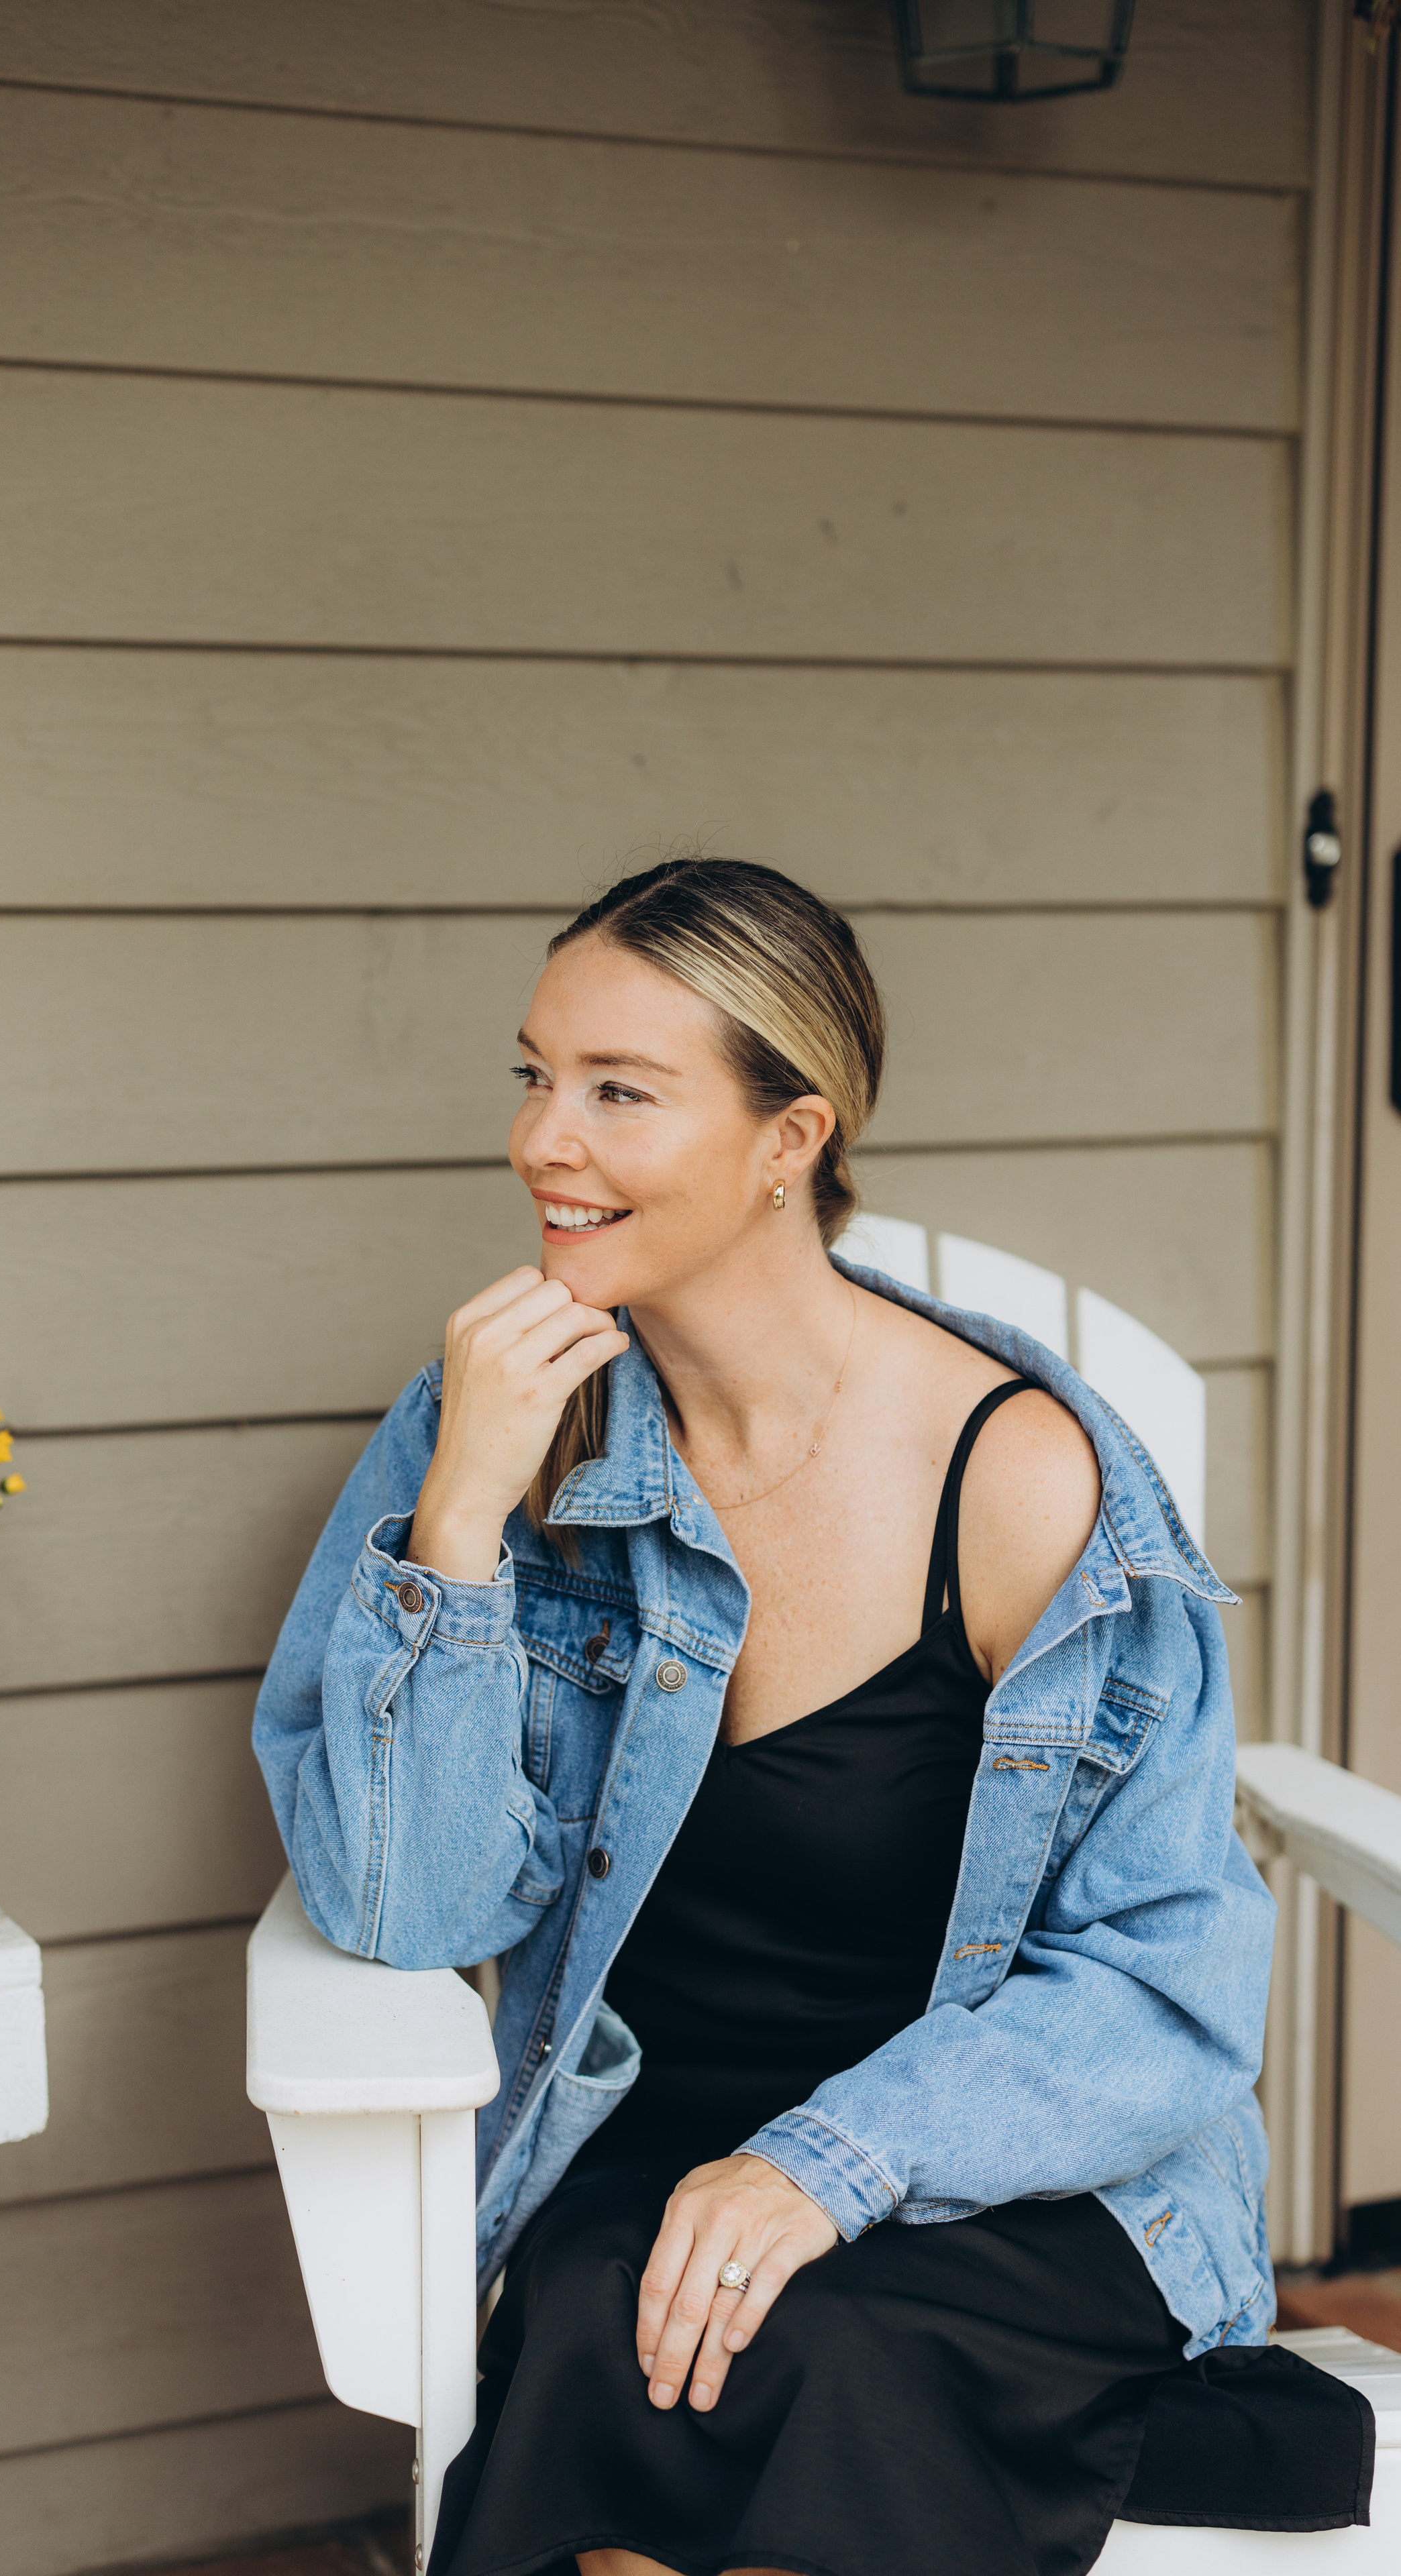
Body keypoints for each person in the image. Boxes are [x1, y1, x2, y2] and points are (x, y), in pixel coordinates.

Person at [256, 857, 1306, 2576]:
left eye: (619, 1092)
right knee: (623, 2333)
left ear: (789, 1137)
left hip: (1004, 2177)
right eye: (533, 1075)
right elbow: (405, 1910)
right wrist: (455, 1535)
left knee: (810, 2357)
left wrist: (823, 2165)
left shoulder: (1018, 1483)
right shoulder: (501, 1424)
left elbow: (1162, 1985)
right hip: (651, 2157)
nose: (541, 1141)